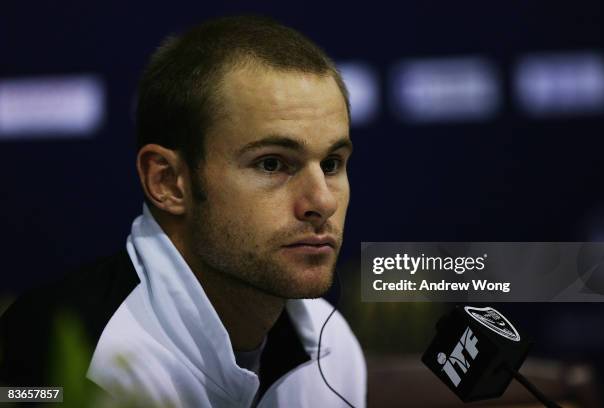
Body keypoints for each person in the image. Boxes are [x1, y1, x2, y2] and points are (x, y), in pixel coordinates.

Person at [0, 15, 366, 408]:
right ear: (168, 182)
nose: (323, 202)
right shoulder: (65, 357)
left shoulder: (334, 347)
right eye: (272, 164)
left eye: (331, 164)